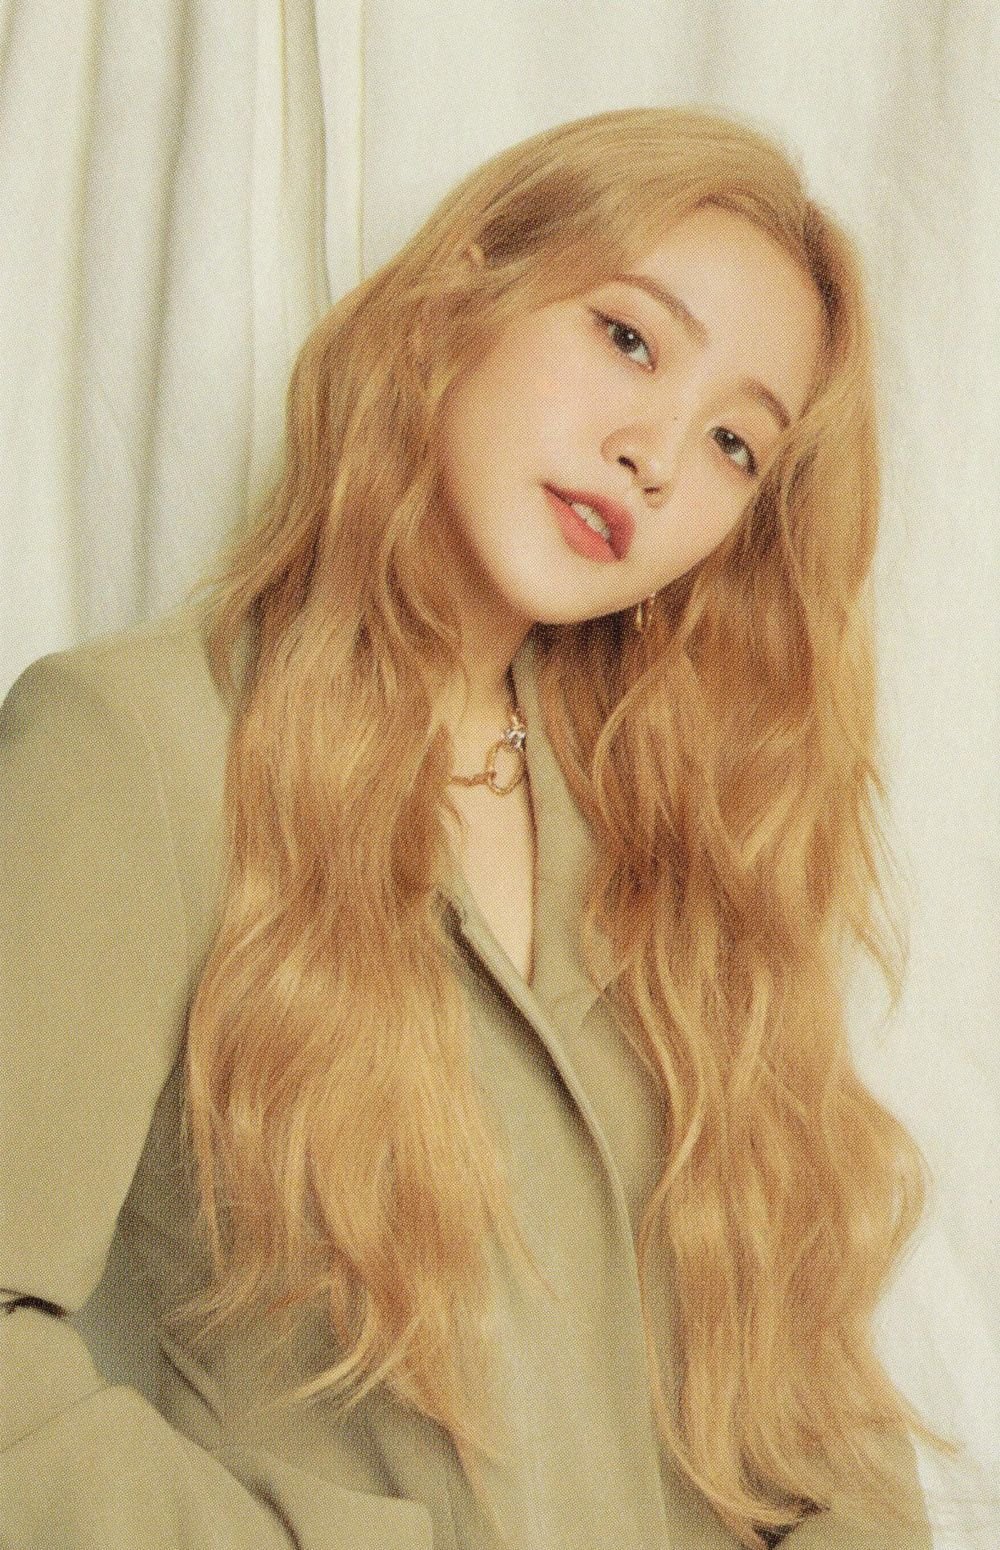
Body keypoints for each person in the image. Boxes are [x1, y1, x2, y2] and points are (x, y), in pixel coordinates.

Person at [0, 105, 957, 1549]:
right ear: (467, 294)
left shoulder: (691, 838)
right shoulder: (141, 747)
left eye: (735, 444)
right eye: (629, 338)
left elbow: (813, 1405)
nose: (655, 456)